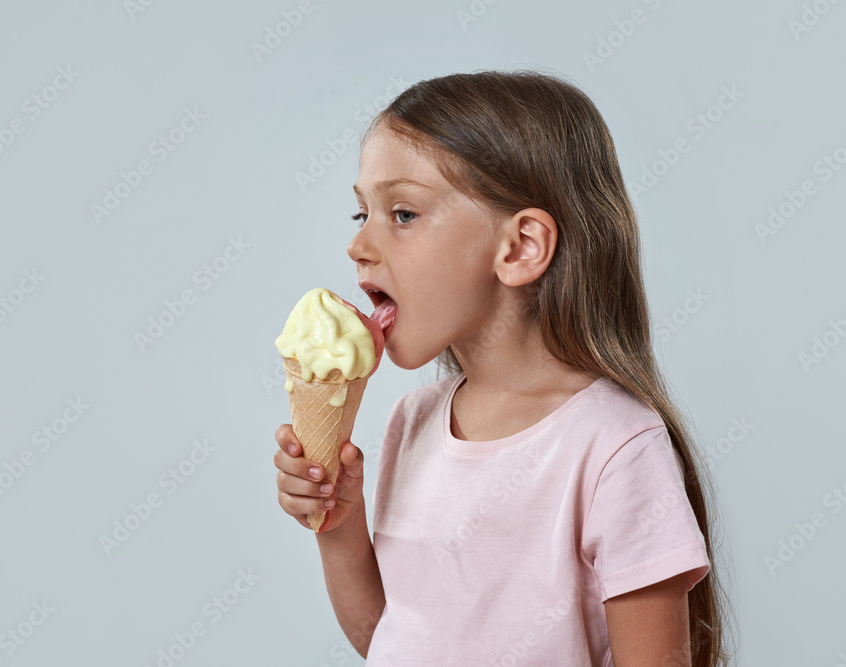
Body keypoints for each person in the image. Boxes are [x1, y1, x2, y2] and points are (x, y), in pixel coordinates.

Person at [273, 69, 734, 666]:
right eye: (362, 215)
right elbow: (389, 641)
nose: (359, 245)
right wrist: (339, 527)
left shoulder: (615, 446)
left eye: (403, 213)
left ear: (519, 248)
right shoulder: (413, 419)